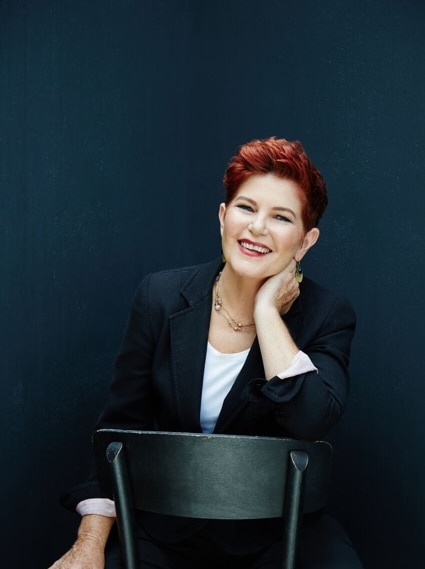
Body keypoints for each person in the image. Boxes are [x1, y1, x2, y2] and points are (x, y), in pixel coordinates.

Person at [49, 136, 364, 569]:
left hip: (278, 532)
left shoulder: (328, 314)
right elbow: (117, 434)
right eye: (246, 208)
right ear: (223, 216)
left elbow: (309, 419)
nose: (256, 228)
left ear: (306, 241)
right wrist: (88, 545)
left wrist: (267, 312)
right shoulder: (159, 297)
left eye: (281, 217)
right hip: (165, 530)